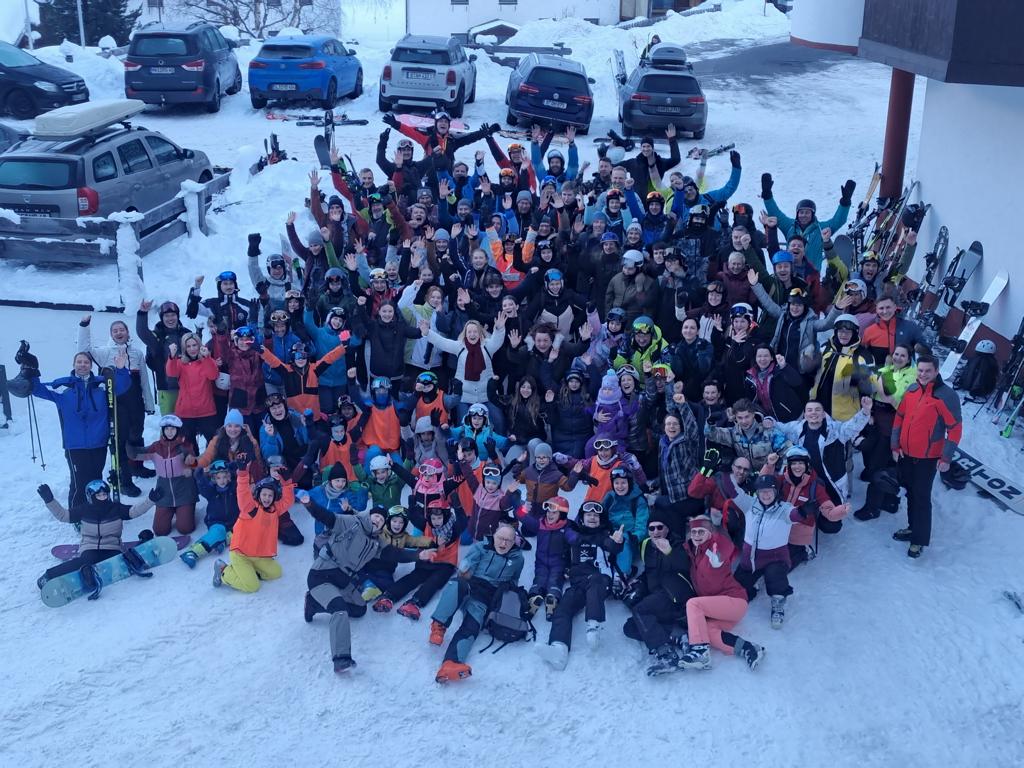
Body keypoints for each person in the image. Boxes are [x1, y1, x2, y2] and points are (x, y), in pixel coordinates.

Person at [302, 502, 435, 673]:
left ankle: (313, 603)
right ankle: (341, 658)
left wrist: (418, 555)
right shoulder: (351, 522)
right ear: (369, 515)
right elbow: (326, 517)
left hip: (343, 579)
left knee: (359, 609)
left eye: (381, 519)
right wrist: (309, 504)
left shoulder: (377, 541)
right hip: (322, 573)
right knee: (339, 609)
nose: (378, 520)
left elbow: (394, 553)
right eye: (376, 516)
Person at [32, 352, 131, 507]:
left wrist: (121, 369)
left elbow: (122, 386)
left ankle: (96, 510)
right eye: (79, 362)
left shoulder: (102, 384)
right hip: (75, 445)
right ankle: (76, 513)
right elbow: (38, 389)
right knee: (79, 482)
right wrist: (31, 371)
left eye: (86, 362)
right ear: (74, 364)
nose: (82, 365)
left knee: (96, 479)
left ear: (91, 366)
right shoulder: (63, 386)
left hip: (98, 442)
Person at [430, 522, 525, 683]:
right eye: (500, 538)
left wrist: (507, 591)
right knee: (456, 584)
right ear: (494, 536)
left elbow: (514, 581)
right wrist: (465, 569)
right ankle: (438, 626)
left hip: (486, 597)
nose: (503, 543)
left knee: (472, 626)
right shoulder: (481, 547)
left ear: (513, 542)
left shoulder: (518, 559)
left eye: (508, 540)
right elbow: (465, 568)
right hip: (470, 584)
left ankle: (451, 664)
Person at [890, 354, 962, 558]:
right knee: (911, 493)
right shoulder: (912, 390)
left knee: (921, 497)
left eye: (928, 371)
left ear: (936, 371)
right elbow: (899, 417)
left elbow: (955, 429)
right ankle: (913, 528)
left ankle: (919, 540)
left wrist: (946, 458)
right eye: (920, 370)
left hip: (927, 458)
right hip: (906, 453)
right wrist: (895, 445)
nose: (923, 374)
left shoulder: (946, 396)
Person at [538, 504, 625, 670]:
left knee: (595, 580)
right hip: (579, 584)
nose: (592, 518)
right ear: (582, 518)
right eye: (588, 515)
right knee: (563, 609)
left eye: (596, 515)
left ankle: (593, 626)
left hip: (600, 580)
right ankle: (559, 648)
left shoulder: (604, 535)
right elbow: (564, 557)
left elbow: (612, 546)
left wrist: (618, 541)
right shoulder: (574, 537)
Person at [78, 314, 155, 494]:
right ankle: (124, 481)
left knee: (136, 436)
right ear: (111, 334)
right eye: (115, 331)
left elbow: (144, 380)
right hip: (117, 404)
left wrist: (149, 403)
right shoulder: (104, 353)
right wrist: (84, 325)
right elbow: (84, 349)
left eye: (122, 329)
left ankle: (137, 467)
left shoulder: (137, 353)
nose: (119, 333)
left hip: (135, 401)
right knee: (120, 441)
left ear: (128, 332)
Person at [34, 479, 159, 589]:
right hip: (90, 547)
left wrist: (150, 500)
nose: (103, 497)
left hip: (112, 546)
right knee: (85, 561)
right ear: (91, 496)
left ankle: (94, 570)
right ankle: (50, 575)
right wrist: (50, 500)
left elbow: (134, 511)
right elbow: (63, 515)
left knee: (120, 559)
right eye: (99, 495)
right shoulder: (84, 510)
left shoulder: (116, 508)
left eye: (105, 494)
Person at [678, 514, 765, 671]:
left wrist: (718, 554)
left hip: (734, 601)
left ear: (709, 532)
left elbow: (725, 546)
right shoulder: (693, 553)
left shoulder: (714, 547)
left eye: (701, 531)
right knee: (706, 631)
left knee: (693, 604)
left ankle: (700, 652)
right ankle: (749, 648)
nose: (696, 535)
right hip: (719, 610)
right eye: (694, 531)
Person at [730, 474, 814, 629]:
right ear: (757, 492)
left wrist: (802, 511)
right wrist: (724, 473)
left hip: (775, 558)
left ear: (776, 492)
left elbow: (793, 515)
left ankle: (778, 601)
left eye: (769, 491)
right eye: (762, 491)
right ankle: (755, 585)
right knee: (736, 591)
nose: (766, 494)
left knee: (775, 576)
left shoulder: (784, 508)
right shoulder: (749, 504)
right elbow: (732, 490)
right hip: (751, 560)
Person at [621, 510, 695, 676]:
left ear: (667, 529)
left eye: (660, 527)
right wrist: (637, 583)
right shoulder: (647, 545)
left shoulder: (678, 544)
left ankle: (666, 655)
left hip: (676, 596)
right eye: (652, 528)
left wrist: (669, 552)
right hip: (658, 598)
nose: (656, 531)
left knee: (640, 611)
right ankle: (678, 636)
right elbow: (649, 572)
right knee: (630, 627)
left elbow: (685, 566)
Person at [374, 499, 466, 619]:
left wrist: (458, 507)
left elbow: (463, 521)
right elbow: (413, 517)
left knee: (434, 581)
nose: (436, 522)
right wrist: (412, 504)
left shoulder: (454, 528)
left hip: (445, 564)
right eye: (433, 518)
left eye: (439, 518)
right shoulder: (426, 524)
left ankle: (415, 602)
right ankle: (389, 596)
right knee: (414, 577)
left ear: (446, 516)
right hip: (427, 559)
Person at [212, 463, 294, 593]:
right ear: (258, 494)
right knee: (252, 586)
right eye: (264, 494)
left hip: (259, 555)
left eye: (270, 495)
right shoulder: (250, 508)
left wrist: (287, 483)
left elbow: (288, 501)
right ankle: (223, 570)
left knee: (276, 572)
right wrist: (243, 474)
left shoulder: (275, 509)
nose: (267, 498)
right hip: (241, 554)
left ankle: (249, 573)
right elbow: (242, 493)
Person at [760, 173, 855, 271]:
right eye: (801, 212)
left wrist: (845, 202)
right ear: (797, 214)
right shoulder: (789, 226)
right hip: (790, 274)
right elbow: (776, 213)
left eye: (807, 212)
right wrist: (767, 195)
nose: (804, 215)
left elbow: (838, 221)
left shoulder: (820, 228)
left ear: (812, 214)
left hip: (812, 276)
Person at [126, 414, 198, 536]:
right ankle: (172, 511)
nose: (169, 432)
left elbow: (195, 464)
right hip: (164, 492)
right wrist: (126, 442)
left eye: (173, 429)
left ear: (178, 430)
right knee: (160, 530)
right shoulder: (156, 447)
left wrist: (190, 465)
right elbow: (136, 455)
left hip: (184, 491)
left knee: (185, 528)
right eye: (167, 429)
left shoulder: (185, 446)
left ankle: (185, 509)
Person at [137, 299, 188, 416]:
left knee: (187, 422)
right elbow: (142, 332)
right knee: (169, 422)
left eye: (173, 315)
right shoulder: (156, 337)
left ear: (177, 316)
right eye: (166, 316)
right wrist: (142, 313)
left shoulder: (186, 334)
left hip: (187, 386)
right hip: (166, 387)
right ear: (162, 318)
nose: (170, 318)